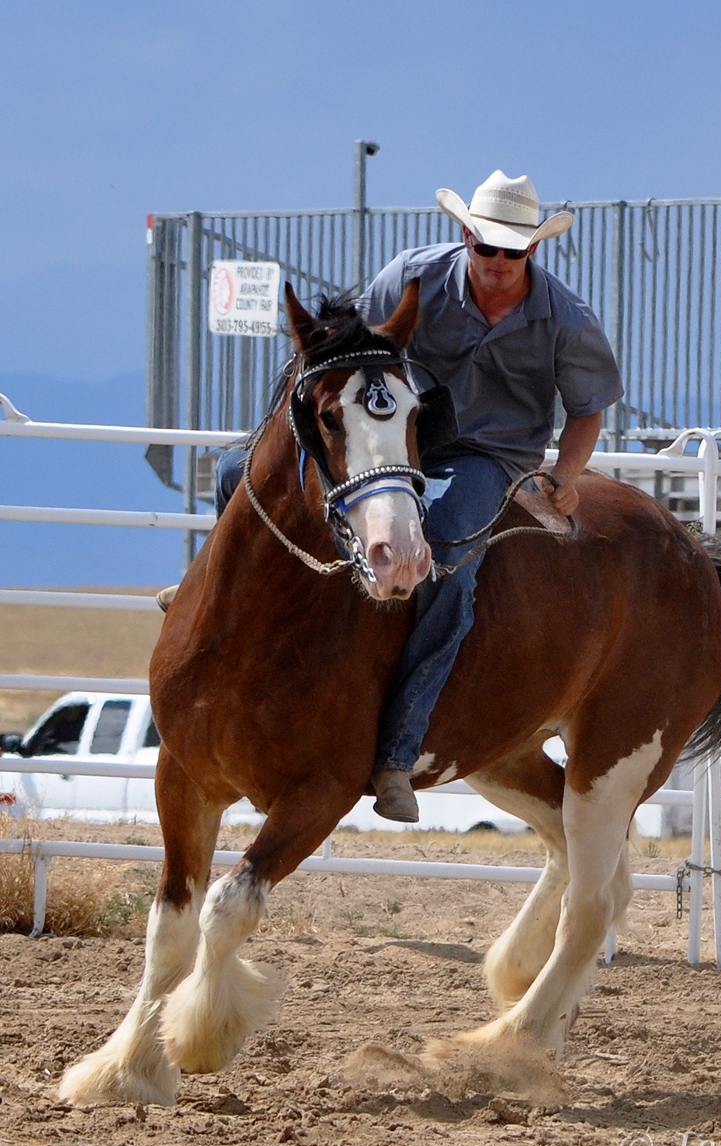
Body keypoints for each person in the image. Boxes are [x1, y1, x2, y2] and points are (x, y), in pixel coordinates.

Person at [194, 171, 624, 823]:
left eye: (514, 251)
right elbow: (352, 355)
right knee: (240, 478)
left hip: (490, 454)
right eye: (488, 248)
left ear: (533, 251)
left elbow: (587, 409)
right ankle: (203, 600)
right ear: (465, 236)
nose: (499, 263)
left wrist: (566, 472)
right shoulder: (409, 276)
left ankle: (396, 753)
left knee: (447, 552)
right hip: (397, 440)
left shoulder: (566, 319)